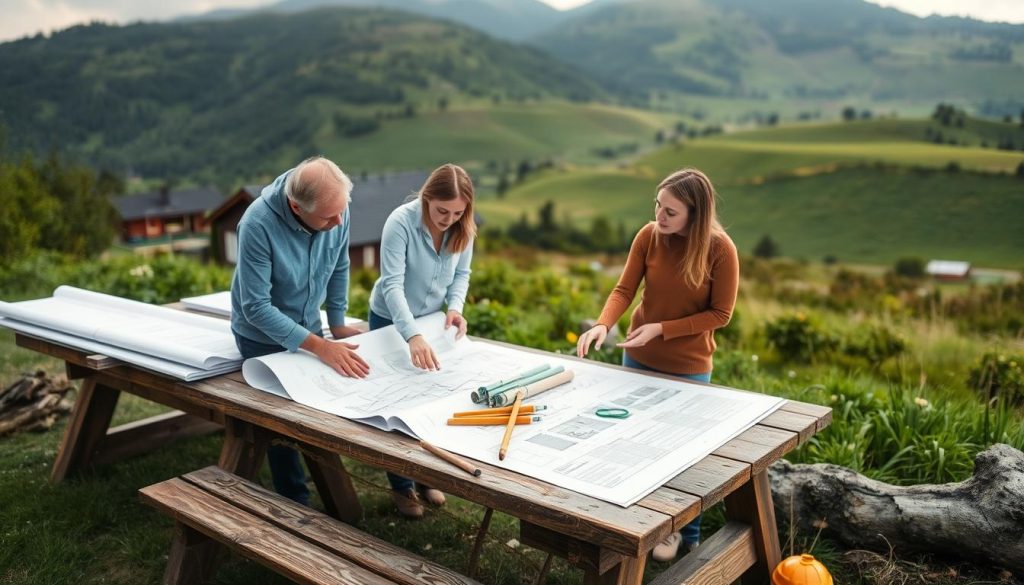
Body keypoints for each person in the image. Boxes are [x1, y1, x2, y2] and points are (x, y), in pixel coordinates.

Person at [575, 168, 739, 562]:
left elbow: (721, 314)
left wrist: (661, 330)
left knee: (684, 452)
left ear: (694, 215)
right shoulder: (649, 236)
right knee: (630, 442)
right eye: (657, 206)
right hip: (639, 356)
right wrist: (603, 324)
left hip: (689, 365)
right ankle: (634, 523)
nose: (659, 217)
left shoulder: (721, 249)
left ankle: (687, 533)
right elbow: (625, 289)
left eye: (670, 211)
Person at [231, 156, 369, 507]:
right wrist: (320, 347)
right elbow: (256, 308)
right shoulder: (256, 224)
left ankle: (333, 488)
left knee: (325, 393)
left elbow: (340, 263)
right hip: (260, 335)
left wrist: (335, 323)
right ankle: (295, 500)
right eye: (328, 217)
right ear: (296, 206)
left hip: (310, 325)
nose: (339, 222)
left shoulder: (334, 207)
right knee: (280, 415)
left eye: (342, 211)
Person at [368, 163, 476, 518]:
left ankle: (427, 476)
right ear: (428, 198)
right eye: (442, 210)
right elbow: (391, 285)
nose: (448, 219)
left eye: (457, 213)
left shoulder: (463, 228)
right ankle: (401, 487)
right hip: (390, 321)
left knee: (429, 400)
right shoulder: (400, 222)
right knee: (396, 404)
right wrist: (411, 334)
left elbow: (462, 275)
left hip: (431, 322)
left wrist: (455, 308)